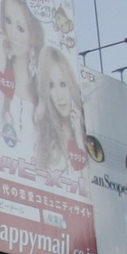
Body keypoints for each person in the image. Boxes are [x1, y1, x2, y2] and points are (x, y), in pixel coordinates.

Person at [0, 0, 42, 153]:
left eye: (20, 28)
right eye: (7, 21)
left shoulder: (45, 87)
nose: (12, 34)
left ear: (33, 35)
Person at [32, 44, 89, 176]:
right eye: (51, 86)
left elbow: (89, 189)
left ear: (71, 86)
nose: (59, 95)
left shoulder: (88, 129)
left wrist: (80, 139)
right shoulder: (45, 137)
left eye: (63, 84)